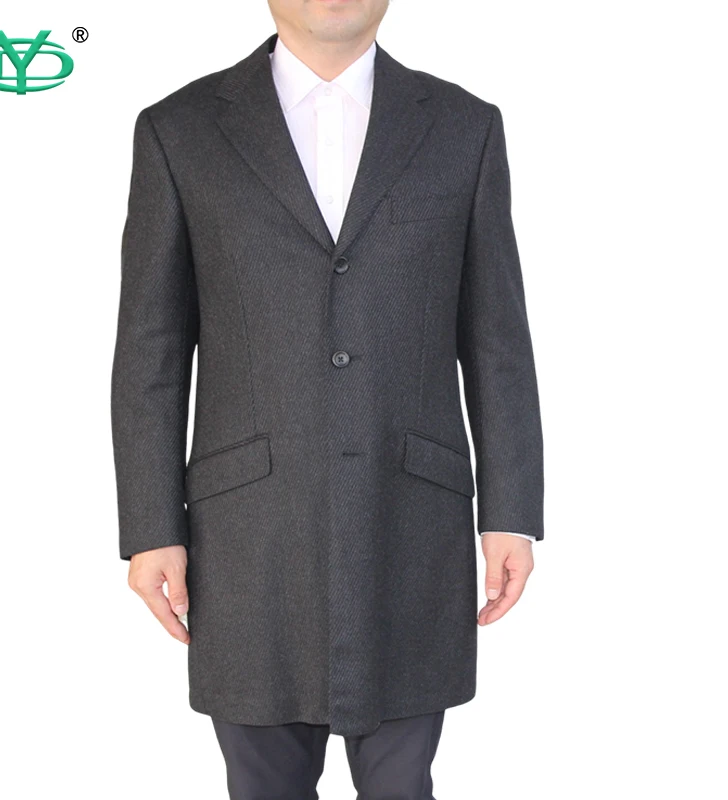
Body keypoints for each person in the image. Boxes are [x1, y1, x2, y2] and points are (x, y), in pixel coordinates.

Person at [110, 1, 544, 797]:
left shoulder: (462, 127)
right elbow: (152, 350)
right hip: (250, 538)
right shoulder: (180, 131)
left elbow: (497, 339)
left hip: (409, 524)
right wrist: (150, 527)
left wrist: (510, 512)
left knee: (402, 786)